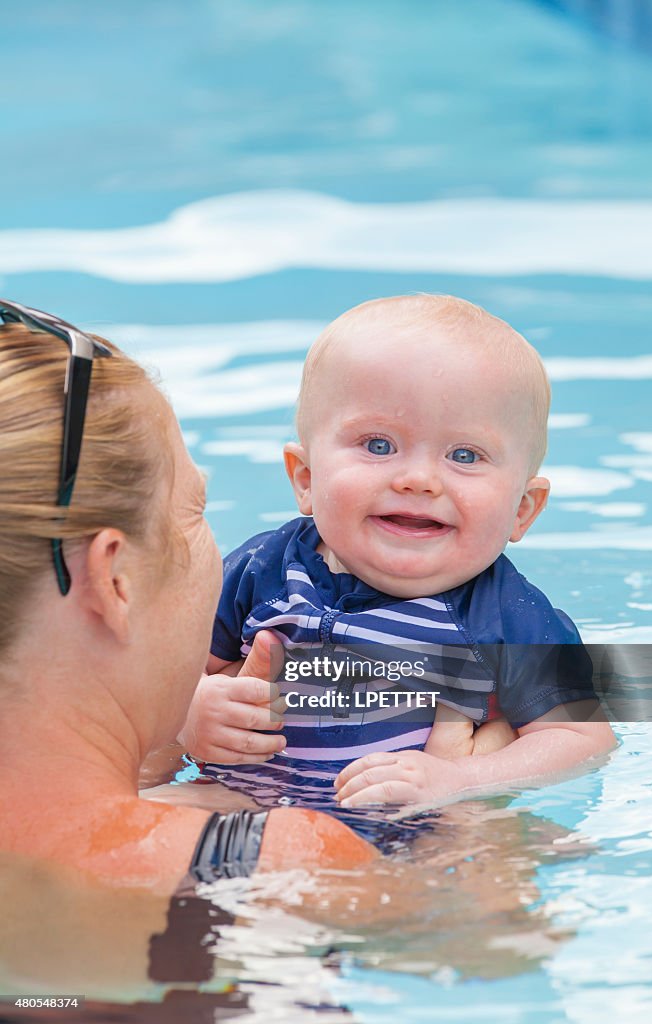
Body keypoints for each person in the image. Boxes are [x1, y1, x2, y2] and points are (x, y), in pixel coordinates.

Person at [0, 299, 377, 893]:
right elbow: (500, 948)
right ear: (114, 581)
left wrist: (173, 740)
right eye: (195, 511)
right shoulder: (283, 857)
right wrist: (473, 801)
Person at [181, 294, 615, 805]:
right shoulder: (262, 570)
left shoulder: (506, 614)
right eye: (378, 445)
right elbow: (159, 674)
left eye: (465, 455)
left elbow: (584, 739)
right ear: (306, 478)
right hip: (243, 801)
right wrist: (190, 713)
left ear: (523, 508)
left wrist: (461, 781)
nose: (418, 479)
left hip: (408, 830)